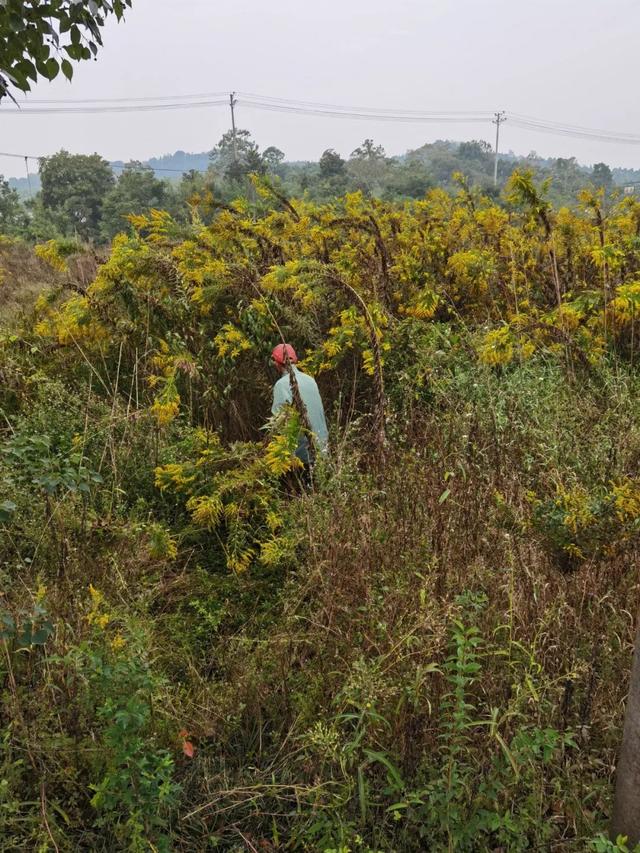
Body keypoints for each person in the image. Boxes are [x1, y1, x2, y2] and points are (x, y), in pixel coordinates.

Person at [270, 343, 329, 467]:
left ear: (276, 363)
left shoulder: (281, 385)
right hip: (323, 450)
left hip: (301, 457)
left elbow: (278, 422)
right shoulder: (310, 380)